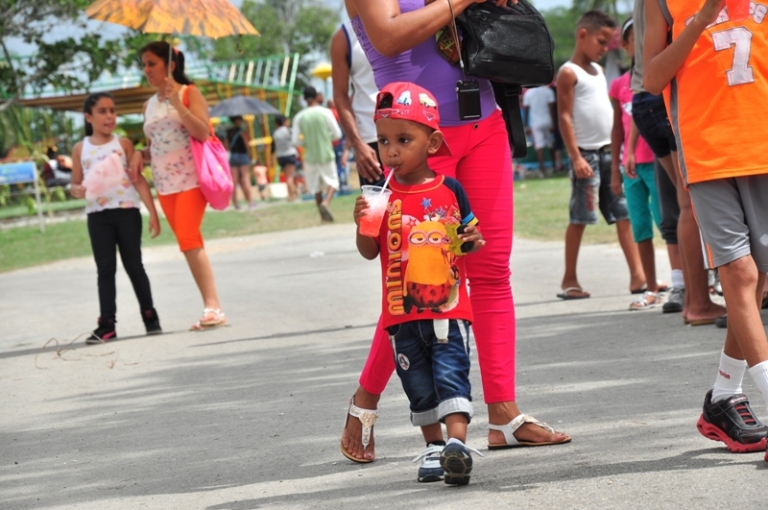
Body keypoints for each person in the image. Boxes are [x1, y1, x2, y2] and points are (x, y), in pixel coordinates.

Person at [340, 0, 571, 465]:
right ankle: (363, 403)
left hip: (483, 123)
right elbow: (386, 35)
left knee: (491, 272)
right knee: (416, 289)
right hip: (414, 141)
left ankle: (505, 414)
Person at [644, 0, 768, 455]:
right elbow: (652, 78)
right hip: (709, 153)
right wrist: (701, 16)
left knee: (756, 284)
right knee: (740, 275)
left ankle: (722, 396)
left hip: (763, 147)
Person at [355, 82, 485, 484]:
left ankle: (457, 444)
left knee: (451, 374)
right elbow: (368, 251)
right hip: (400, 312)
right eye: (383, 141)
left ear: (432, 143)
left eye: (403, 139)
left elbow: (471, 237)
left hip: (449, 309)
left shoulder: (451, 189)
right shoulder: (383, 195)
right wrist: (361, 220)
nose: (390, 151)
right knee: (418, 384)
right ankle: (432, 447)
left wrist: (471, 240)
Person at [631, 0, 724, 323]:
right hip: (663, 94)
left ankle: (693, 297)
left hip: (642, 99)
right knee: (690, 204)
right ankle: (698, 301)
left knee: (685, 204)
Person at [129, 41, 226, 330]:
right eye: (144, 64)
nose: (146, 69)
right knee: (189, 242)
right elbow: (154, 146)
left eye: (151, 63)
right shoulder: (148, 105)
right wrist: (138, 153)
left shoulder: (188, 93)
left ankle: (214, 307)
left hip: (192, 179)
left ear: (170, 65)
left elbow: (202, 132)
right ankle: (211, 305)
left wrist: (175, 103)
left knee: (187, 237)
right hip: (165, 185)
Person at [556, 10, 645, 300]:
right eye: (601, 41)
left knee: (623, 214)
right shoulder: (569, 72)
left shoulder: (598, 71)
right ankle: (569, 278)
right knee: (581, 216)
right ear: (583, 35)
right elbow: (565, 118)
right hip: (587, 158)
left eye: (609, 43)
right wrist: (576, 157)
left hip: (610, 155)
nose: (605, 48)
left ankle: (638, 276)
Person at [70, 92, 162, 344]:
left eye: (112, 110)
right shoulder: (81, 149)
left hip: (127, 213)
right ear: (89, 117)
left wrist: (153, 214)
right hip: (98, 217)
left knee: (135, 265)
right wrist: (75, 189)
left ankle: (150, 317)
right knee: (105, 269)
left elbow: (139, 181)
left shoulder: (123, 145)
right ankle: (107, 324)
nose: (109, 116)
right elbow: (76, 184)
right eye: (102, 111)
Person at [609, 17, 665, 311]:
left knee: (667, 222)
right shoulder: (619, 84)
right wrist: (615, 171)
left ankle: (687, 282)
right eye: (636, 39)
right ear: (625, 44)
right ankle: (652, 287)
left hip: (657, 161)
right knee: (641, 227)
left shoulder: (658, 74)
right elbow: (618, 128)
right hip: (629, 168)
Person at [330, 21, 381, 187]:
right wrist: (358, 145)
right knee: (377, 210)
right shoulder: (343, 38)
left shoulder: (412, 12)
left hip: (417, 130)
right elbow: (340, 95)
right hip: (372, 140)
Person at [291, 86, 342, 222]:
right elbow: (337, 134)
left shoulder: (299, 117)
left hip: (310, 157)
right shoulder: (326, 113)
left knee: (315, 187)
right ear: (316, 97)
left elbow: (295, 140)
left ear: (304, 99)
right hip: (326, 153)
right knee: (333, 182)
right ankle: (326, 203)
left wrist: (307, 142)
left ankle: (322, 217)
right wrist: (326, 138)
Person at [522, 85, 557, 176]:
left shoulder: (528, 94)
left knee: (539, 146)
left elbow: (526, 111)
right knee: (551, 144)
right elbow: (551, 108)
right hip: (548, 120)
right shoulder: (548, 91)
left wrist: (526, 126)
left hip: (535, 122)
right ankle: (554, 167)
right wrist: (553, 123)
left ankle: (542, 169)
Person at [225, 116, 254, 210]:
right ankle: (250, 202)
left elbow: (226, 146)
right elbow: (247, 145)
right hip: (242, 155)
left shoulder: (228, 132)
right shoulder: (242, 131)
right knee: (246, 179)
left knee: (234, 180)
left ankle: (235, 203)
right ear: (239, 121)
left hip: (233, 156)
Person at [272, 114, 299, 201]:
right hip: (290, 154)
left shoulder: (275, 133)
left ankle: (292, 193)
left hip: (280, 157)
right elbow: (296, 141)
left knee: (287, 176)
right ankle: (291, 196)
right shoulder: (289, 131)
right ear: (283, 122)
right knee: (290, 177)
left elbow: (273, 148)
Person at [326, 99, 350, 194]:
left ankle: (338, 184)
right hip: (339, 142)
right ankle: (343, 184)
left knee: (335, 165)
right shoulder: (336, 113)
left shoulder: (327, 114)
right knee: (342, 164)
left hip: (330, 144)